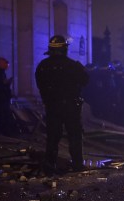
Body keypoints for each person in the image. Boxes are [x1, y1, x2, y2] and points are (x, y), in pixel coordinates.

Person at [35, 35, 90, 175]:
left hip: (52, 107)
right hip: (71, 106)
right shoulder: (73, 65)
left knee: (53, 137)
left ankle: (49, 165)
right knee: (75, 136)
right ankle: (77, 165)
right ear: (65, 49)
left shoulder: (42, 66)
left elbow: (40, 85)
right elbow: (85, 81)